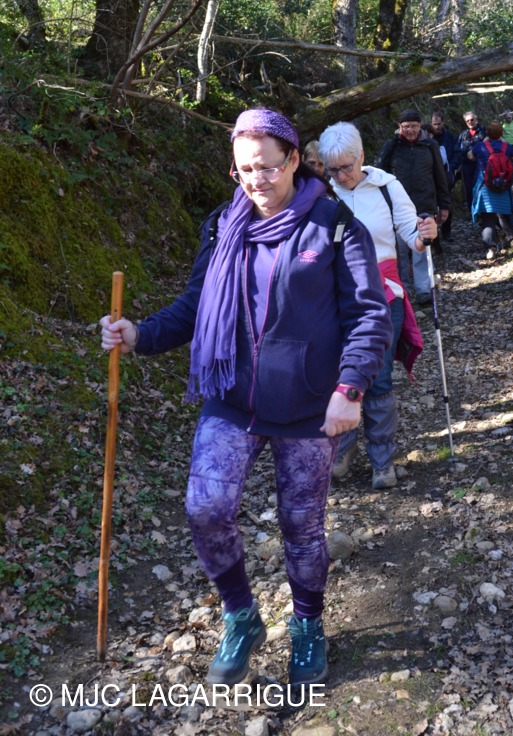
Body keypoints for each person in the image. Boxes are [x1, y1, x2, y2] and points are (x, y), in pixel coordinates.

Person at [99, 108, 392, 692]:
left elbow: (369, 313)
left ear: (293, 159)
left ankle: (307, 624)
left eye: (268, 167)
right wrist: (140, 335)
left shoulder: (334, 225)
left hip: (310, 406)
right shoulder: (223, 225)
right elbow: (195, 304)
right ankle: (241, 615)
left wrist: (350, 389)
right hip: (231, 396)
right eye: (244, 170)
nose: (257, 180)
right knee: (205, 509)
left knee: (301, 526)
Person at [318, 122, 437, 490]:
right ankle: (342, 449)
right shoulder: (320, 194)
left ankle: (382, 459)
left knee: (379, 376)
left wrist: (424, 235)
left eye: (346, 167)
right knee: (337, 374)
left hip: (384, 292)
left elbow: (410, 232)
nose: (341, 176)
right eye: (333, 169)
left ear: (362, 157)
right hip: (333, 296)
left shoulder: (387, 186)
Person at [375, 108, 450, 304]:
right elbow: (378, 175)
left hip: (424, 205)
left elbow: (440, 176)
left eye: (414, 126)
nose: (410, 130)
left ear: (420, 126)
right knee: (399, 250)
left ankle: (423, 289)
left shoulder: (430, 145)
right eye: (406, 126)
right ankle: (402, 289)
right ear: (399, 126)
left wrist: (444, 204)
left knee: (421, 249)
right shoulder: (391, 146)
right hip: (397, 208)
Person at [468, 119, 513, 260]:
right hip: (503, 186)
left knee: (488, 218)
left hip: (485, 188)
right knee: (504, 213)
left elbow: (470, 156)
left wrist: (484, 143)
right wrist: (503, 142)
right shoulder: (506, 147)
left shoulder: (480, 147)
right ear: (501, 133)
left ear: (487, 134)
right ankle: (512, 239)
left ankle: (490, 248)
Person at [428, 110, 457, 240]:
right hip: (430, 176)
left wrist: (452, 167)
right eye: (434, 124)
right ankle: (434, 234)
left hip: (446, 174)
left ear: (443, 123)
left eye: (439, 124)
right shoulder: (427, 138)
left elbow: (458, 152)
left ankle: (447, 232)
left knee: (446, 203)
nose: (437, 126)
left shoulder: (449, 137)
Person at [454, 110, 487, 211]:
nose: (470, 122)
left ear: (476, 120)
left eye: (472, 120)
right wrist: (457, 166)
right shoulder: (463, 134)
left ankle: (482, 210)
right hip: (466, 165)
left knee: (480, 186)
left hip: (481, 164)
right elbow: (458, 150)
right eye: (467, 121)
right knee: (469, 187)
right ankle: (472, 210)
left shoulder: (484, 132)